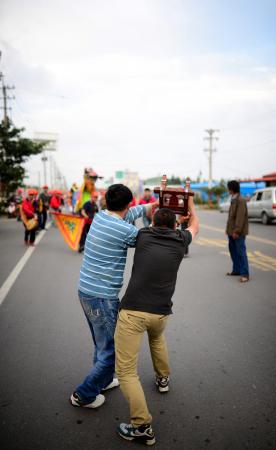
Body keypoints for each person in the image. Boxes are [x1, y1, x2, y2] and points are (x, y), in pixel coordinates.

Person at [114, 200, 199, 446]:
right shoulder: (181, 240)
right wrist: (190, 203)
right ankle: (163, 379)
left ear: (152, 223)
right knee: (157, 338)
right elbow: (195, 224)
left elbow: (132, 222)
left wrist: (160, 211)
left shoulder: (142, 236)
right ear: (175, 226)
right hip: (161, 312)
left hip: (133, 312)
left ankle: (141, 426)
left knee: (127, 372)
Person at [70, 184, 157, 409]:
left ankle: (104, 381)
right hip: (102, 297)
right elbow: (148, 240)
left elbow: (131, 213)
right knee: (111, 352)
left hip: (86, 291)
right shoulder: (124, 230)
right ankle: (84, 395)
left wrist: (152, 206)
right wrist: (160, 221)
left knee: (101, 344)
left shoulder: (100, 217)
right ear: (127, 204)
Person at [226, 180, 249, 283]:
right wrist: (229, 230)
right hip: (231, 231)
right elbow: (231, 217)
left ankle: (245, 274)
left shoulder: (241, 200)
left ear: (231, 189)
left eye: (228, 188)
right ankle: (236, 270)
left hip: (237, 232)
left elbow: (240, 217)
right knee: (233, 250)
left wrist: (237, 231)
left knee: (241, 252)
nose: (228, 190)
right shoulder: (233, 199)